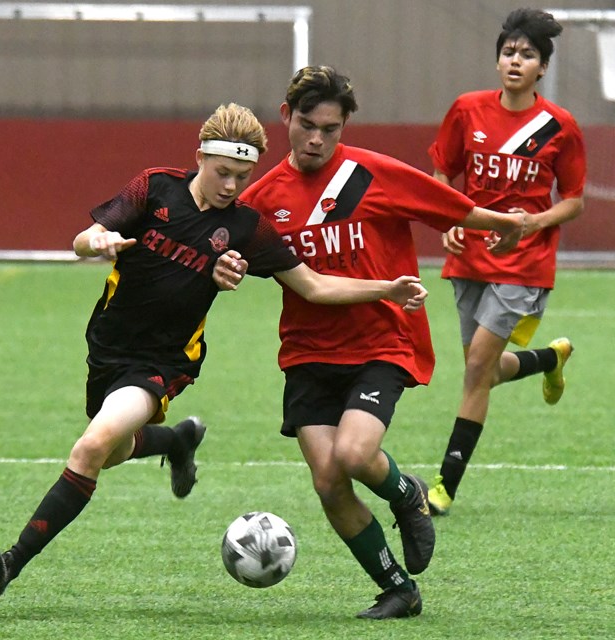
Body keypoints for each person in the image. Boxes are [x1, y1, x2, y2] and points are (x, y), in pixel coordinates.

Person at [0, 102, 432, 600]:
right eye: (223, 172)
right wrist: (97, 240)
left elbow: (314, 287)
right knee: (111, 452)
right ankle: (173, 441)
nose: (232, 186)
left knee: (88, 448)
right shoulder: (154, 188)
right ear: (200, 157)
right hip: (106, 351)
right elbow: (83, 239)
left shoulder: (246, 228)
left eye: (243, 175)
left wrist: (385, 289)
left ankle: (11, 562)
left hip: (163, 363)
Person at [212, 66, 527, 620]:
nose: (317, 139)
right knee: (329, 481)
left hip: (381, 341)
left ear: (344, 126)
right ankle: (398, 589)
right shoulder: (262, 200)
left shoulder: (371, 173)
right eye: (307, 125)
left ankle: (407, 495)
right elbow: (224, 250)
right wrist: (225, 267)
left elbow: (448, 206)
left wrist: (500, 223)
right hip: (308, 353)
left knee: (356, 455)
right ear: (286, 117)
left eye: (330, 129)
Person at [424, 8, 587, 517]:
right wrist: (449, 218)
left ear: (542, 67)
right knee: (485, 371)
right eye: (509, 52)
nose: (516, 61)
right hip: (469, 256)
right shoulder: (466, 111)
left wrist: (534, 224)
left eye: (528, 55)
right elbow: (442, 174)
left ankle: (445, 484)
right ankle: (549, 359)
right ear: (497, 61)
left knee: (476, 368)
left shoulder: (559, 126)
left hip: (524, 262)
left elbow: (575, 199)